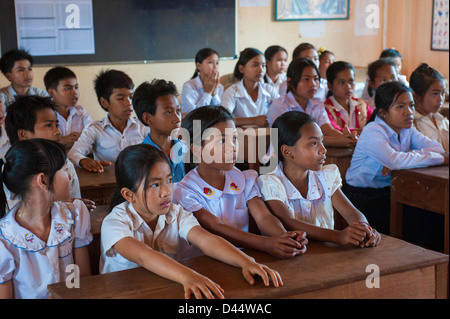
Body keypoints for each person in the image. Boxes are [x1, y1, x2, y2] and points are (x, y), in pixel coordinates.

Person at [100, 144, 283, 299]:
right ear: (128, 194)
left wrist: (246, 262)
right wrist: (188, 275)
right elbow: (144, 256)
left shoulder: (176, 213)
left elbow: (207, 240)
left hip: (169, 288)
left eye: (169, 180)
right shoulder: (115, 223)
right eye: (155, 185)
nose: (166, 192)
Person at [173, 105, 308, 259]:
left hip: (245, 259)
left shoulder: (244, 179)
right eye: (222, 141)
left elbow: (264, 217)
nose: (232, 147)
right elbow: (216, 227)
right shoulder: (185, 191)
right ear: (197, 149)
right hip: (203, 265)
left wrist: (286, 239)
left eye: (234, 138)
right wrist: (265, 243)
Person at [258, 111, 380, 247]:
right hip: (292, 255)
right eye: (313, 143)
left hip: (326, 255)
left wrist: (363, 228)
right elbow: (288, 222)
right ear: (287, 151)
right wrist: (338, 236)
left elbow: (351, 212)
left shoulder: (325, 177)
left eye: (322, 141)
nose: (323, 149)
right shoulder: (271, 181)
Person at [343, 82, 448, 235]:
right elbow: (394, 160)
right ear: (383, 112)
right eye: (400, 107)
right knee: (419, 220)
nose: (409, 112)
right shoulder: (372, 131)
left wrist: (401, 160)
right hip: (363, 197)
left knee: (435, 215)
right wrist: (397, 161)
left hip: (390, 191)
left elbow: (437, 148)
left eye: (411, 105)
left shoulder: (407, 130)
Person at [0, 139, 92, 299]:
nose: (70, 176)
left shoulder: (74, 215)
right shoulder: (5, 240)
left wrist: (72, 294)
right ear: (43, 180)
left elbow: (80, 279)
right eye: (65, 170)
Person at [4, 95, 86, 208]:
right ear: (23, 134)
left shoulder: (64, 164)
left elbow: (75, 205)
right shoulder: (12, 168)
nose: (57, 131)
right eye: (48, 125)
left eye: (56, 125)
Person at [68, 69, 149, 173]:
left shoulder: (142, 126)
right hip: (107, 185)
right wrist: (83, 160)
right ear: (104, 102)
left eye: (131, 97)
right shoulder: (95, 129)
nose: (128, 103)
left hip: (138, 183)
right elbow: (73, 154)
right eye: (120, 98)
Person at [268, 58, 357, 147]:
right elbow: (297, 139)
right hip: (282, 158)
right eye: (306, 79)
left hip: (310, 156)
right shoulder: (280, 105)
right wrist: (337, 141)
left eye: (316, 79)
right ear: (291, 82)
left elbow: (328, 130)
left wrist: (346, 138)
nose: (313, 84)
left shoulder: (316, 103)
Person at [133, 79, 187, 182]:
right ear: (147, 118)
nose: (177, 118)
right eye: (168, 112)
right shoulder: (140, 158)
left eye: (178, 110)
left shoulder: (187, 150)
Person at [221, 48, 279, 127]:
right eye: (255, 65)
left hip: (267, 136)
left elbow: (282, 113)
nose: (261, 70)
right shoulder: (232, 92)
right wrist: (253, 120)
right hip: (241, 137)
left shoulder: (269, 90)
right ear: (241, 69)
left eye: (263, 65)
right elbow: (223, 120)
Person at [44, 66, 93, 149]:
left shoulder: (81, 112)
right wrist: (61, 141)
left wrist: (82, 139)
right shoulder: (44, 115)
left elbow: (93, 136)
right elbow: (41, 142)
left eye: (76, 87)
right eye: (67, 88)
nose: (75, 92)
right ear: (52, 93)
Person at [324, 61, 373, 135]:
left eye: (351, 81)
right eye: (342, 82)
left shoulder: (361, 104)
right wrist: (364, 131)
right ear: (330, 86)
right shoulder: (325, 109)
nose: (348, 86)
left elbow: (374, 124)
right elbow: (334, 131)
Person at [410, 63, 448, 152]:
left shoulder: (441, 119)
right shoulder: (412, 123)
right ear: (416, 96)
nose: (440, 99)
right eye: (435, 93)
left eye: (443, 93)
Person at [180, 48, 223, 116]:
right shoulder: (188, 86)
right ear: (198, 66)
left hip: (214, 124)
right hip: (196, 124)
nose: (215, 67)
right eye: (210, 62)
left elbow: (221, 113)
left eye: (217, 63)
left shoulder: (219, 86)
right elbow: (193, 115)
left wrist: (214, 94)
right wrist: (208, 93)